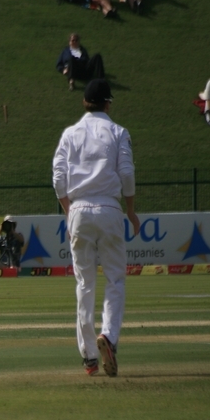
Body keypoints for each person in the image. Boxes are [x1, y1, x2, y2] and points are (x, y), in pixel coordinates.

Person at [53, 79, 139, 378]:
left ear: (84, 103)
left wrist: (70, 212)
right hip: (109, 208)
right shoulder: (118, 132)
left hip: (78, 208)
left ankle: (90, 356)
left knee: (84, 285)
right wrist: (130, 210)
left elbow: (58, 178)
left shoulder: (70, 133)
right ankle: (110, 338)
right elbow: (127, 174)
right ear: (108, 103)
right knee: (115, 279)